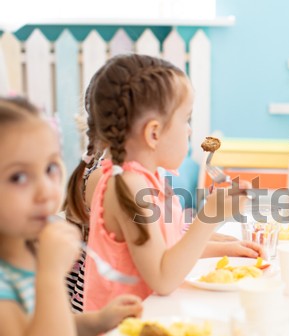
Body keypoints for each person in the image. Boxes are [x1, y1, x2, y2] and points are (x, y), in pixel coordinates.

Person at [67, 54, 259, 312]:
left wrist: (225, 248)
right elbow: (163, 279)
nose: (190, 131)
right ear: (153, 133)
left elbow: (168, 251)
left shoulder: (151, 178)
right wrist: (209, 217)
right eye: (186, 119)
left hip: (150, 322)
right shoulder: (125, 185)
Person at [0, 97, 142, 336]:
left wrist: (99, 320)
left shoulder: (28, 251)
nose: (45, 190)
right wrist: (51, 276)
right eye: (19, 177)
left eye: (50, 167)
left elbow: (43, 330)